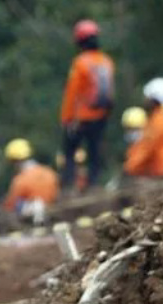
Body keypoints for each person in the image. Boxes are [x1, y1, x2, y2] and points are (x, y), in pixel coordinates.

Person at [60, 19, 115, 192]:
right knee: (94, 151)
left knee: (69, 151)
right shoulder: (106, 61)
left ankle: (68, 186)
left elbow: (72, 93)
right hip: (101, 115)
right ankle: (93, 184)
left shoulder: (80, 62)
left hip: (81, 117)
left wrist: (67, 118)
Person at [123, 78, 163, 180]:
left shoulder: (160, 119)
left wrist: (129, 167)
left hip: (162, 173)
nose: (145, 100)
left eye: (148, 97)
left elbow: (147, 146)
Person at [3, 138, 59, 226]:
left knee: (19, 204)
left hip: (33, 214)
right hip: (50, 208)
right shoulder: (49, 172)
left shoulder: (20, 180)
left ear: (15, 161)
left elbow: (10, 205)